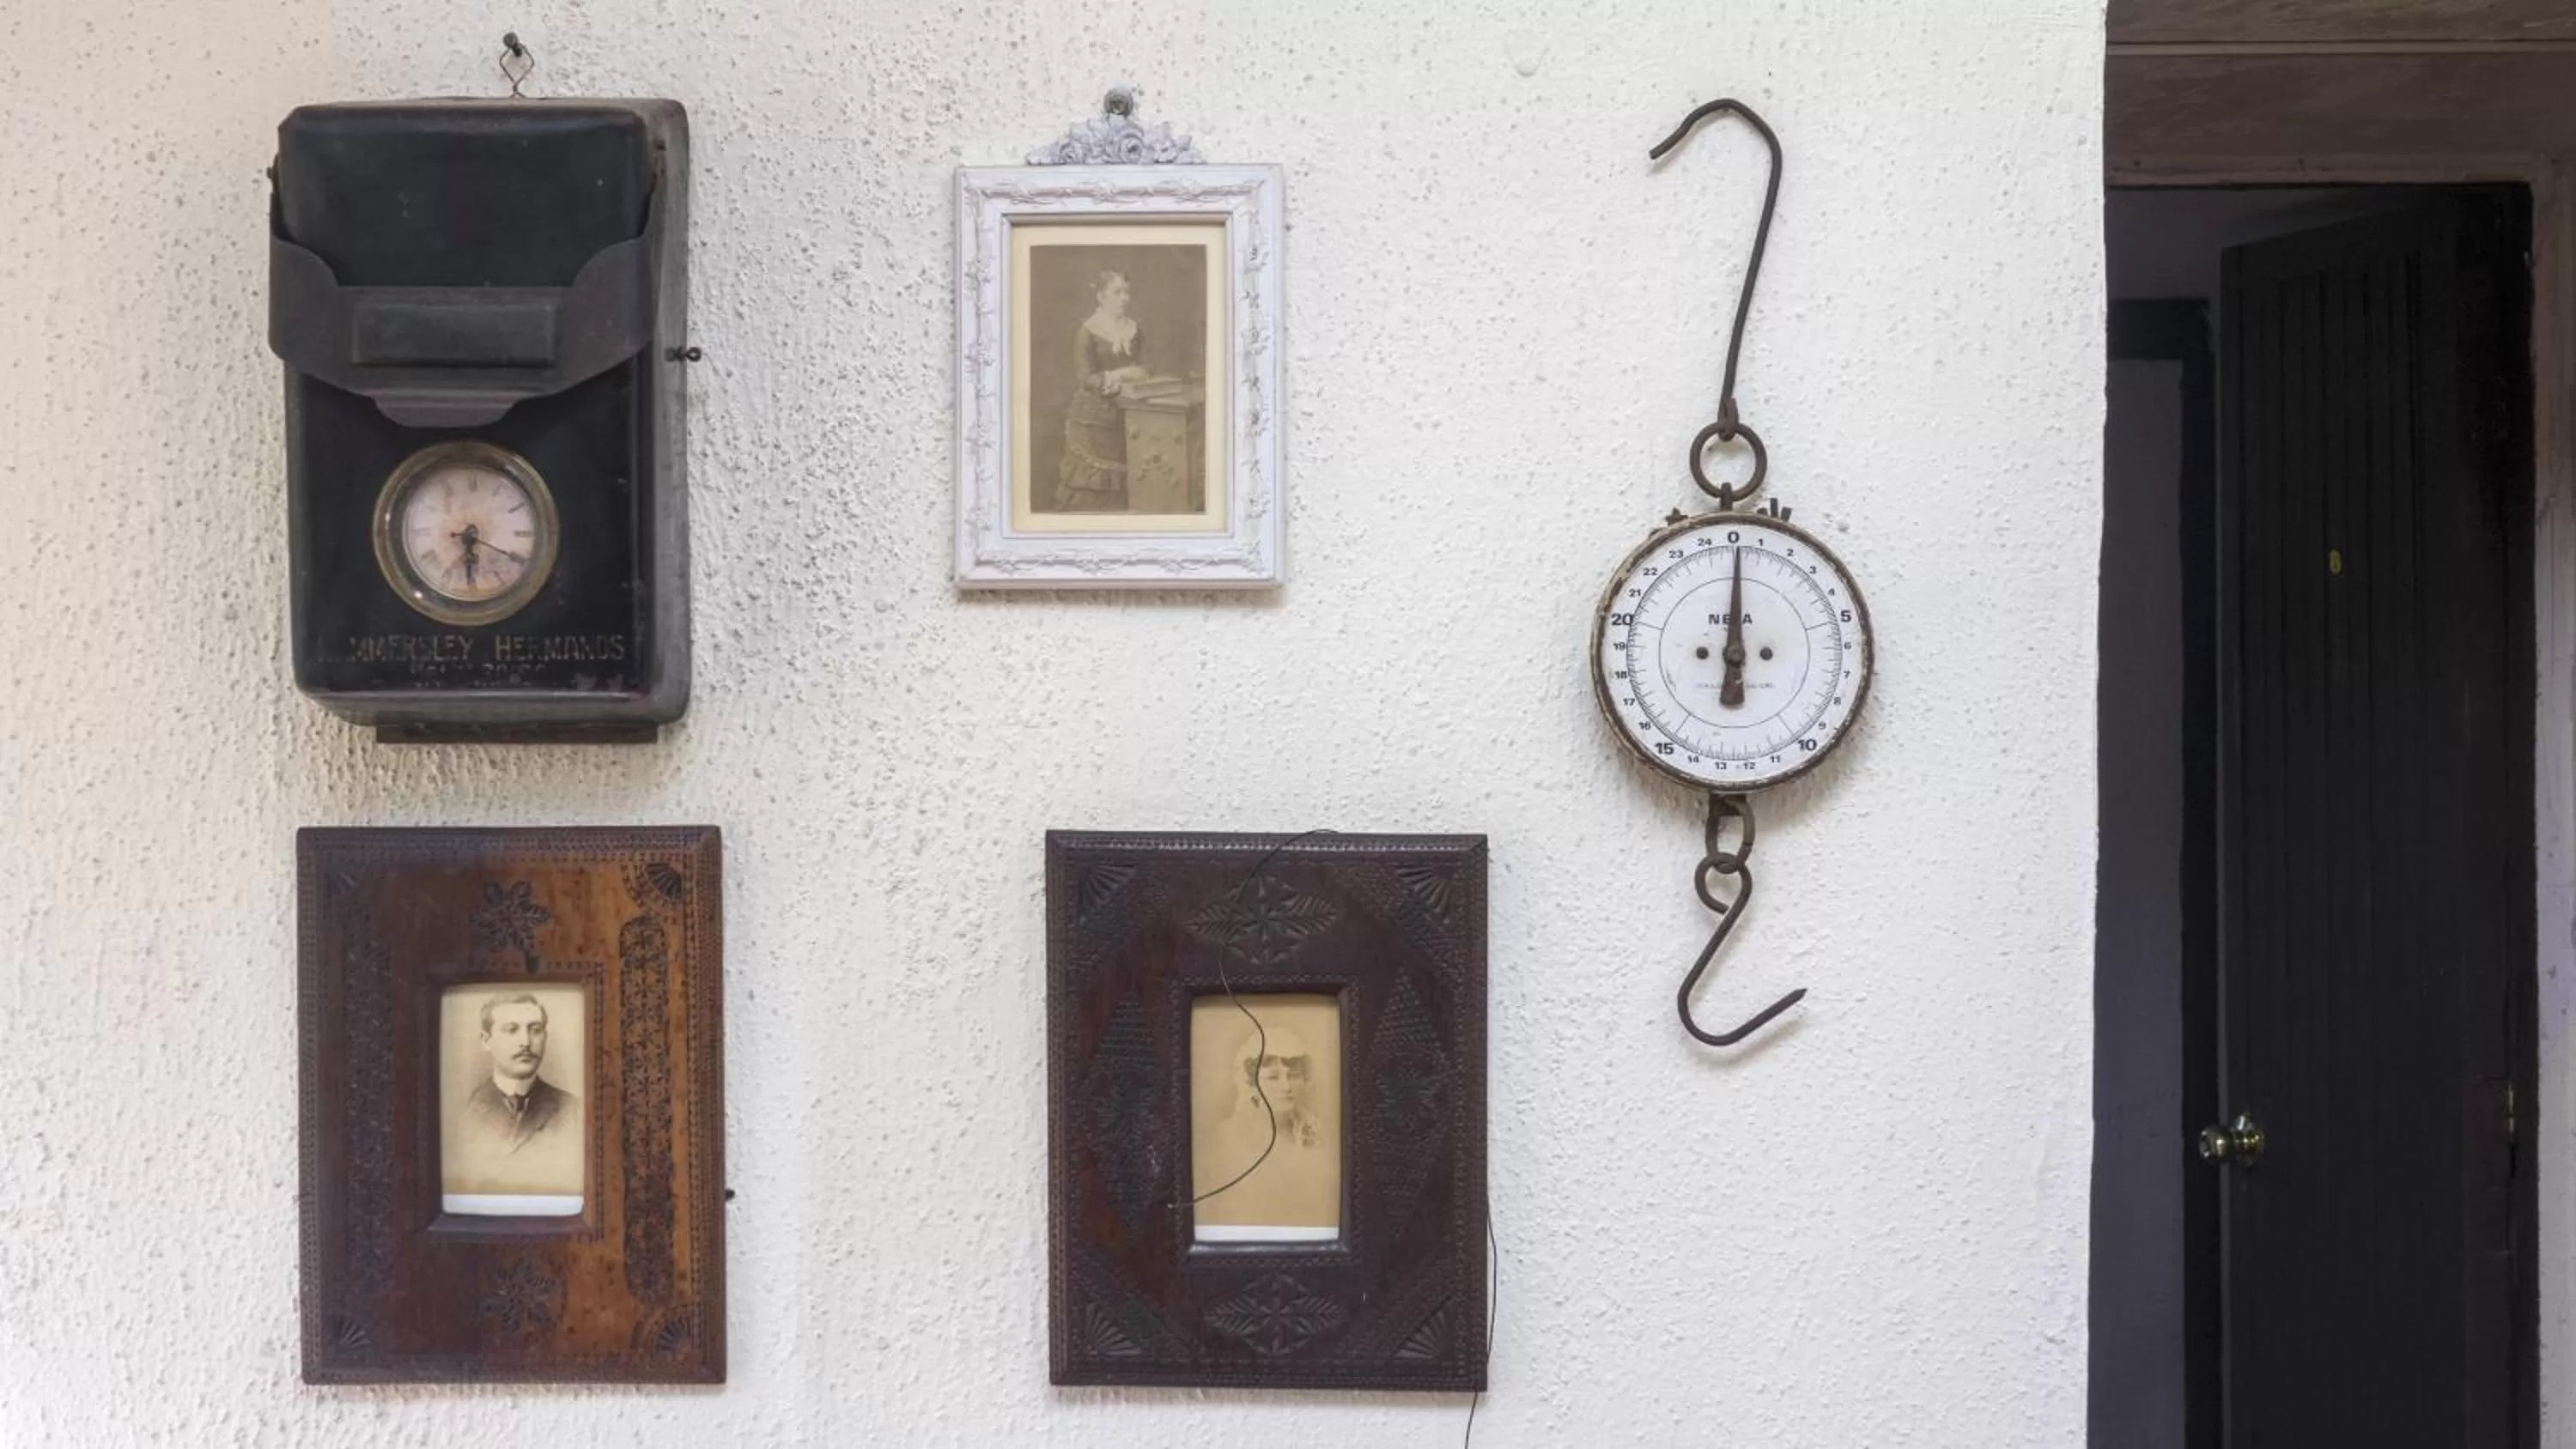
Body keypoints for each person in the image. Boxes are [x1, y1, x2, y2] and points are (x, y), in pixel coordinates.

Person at [1056, 270, 1152, 511]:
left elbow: (1146, 366)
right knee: (1096, 492)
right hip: (1094, 417)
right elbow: (1085, 377)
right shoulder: (1088, 332)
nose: (1124, 298)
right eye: (1117, 292)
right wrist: (1118, 375)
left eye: (1127, 292)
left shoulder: (1134, 330)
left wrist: (1132, 373)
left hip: (1129, 413)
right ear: (1100, 296)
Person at [460, 992, 579, 1160]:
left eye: (535, 1030)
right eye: (512, 1030)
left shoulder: (573, 1111)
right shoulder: (462, 1111)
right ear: (486, 1041)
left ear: (545, 1037)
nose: (526, 1042)